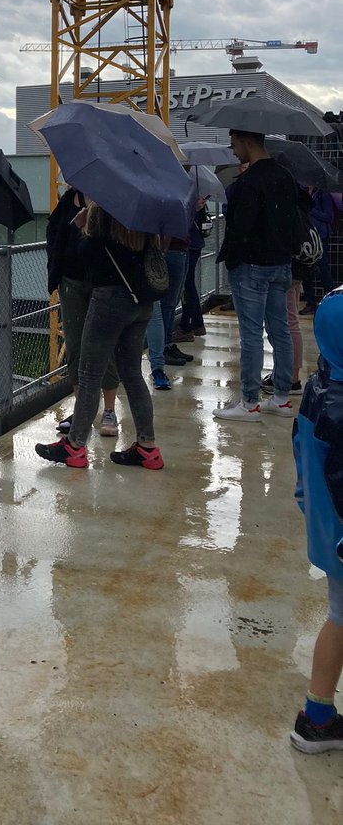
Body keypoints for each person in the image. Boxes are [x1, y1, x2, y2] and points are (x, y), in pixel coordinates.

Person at [35, 202, 164, 471]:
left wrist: (83, 228)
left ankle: (74, 446)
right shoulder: (146, 213)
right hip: (141, 300)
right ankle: (147, 447)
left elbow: (89, 258)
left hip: (109, 300)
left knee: (89, 373)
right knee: (131, 372)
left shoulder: (105, 209)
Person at [290, 291, 343, 753]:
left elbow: (303, 471)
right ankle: (316, 718)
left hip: (329, 537)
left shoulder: (315, 392)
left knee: (339, 618)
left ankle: (319, 714)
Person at [213, 129, 297, 422]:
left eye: (235, 144)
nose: (233, 151)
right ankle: (282, 398)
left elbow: (240, 226)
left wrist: (231, 259)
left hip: (250, 265)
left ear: (247, 142)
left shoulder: (249, 182)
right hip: (281, 263)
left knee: (251, 335)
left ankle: (249, 402)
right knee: (280, 331)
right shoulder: (285, 176)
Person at [46, 186, 121, 437]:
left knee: (103, 345)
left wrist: (88, 224)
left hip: (103, 283)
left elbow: (115, 241)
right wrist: (55, 268)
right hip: (72, 281)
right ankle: (82, 410)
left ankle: (109, 410)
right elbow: (54, 232)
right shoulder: (69, 199)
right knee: (75, 344)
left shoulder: (109, 198)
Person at [262, 184, 313, 398]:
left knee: (287, 323)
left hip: (286, 267)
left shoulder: (285, 204)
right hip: (297, 266)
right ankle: (289, 374)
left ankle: (291, 378)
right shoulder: (300, 202)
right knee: (289, 322)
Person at [145, 234, 191, 389]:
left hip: (146, 259)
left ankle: (157, 366)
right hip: (150, 257)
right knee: (158, 314)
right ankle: (157, 367)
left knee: (157, 314)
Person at [173, 198, 209, 342]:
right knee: (189, 284)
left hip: (188, 244)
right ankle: (196, 323)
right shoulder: (196, 194)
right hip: (194, 243)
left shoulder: (190, 198)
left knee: (186, 285)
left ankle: (186, 326)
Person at [301, 185, 335, 314]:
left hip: (320, 236)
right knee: (305, 272)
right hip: (306, 235)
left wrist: (311, 210)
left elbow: (329, 216)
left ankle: (332, 299)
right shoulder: (303, 192)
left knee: (322, 270)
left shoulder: (323, 194)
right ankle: (311, 302)